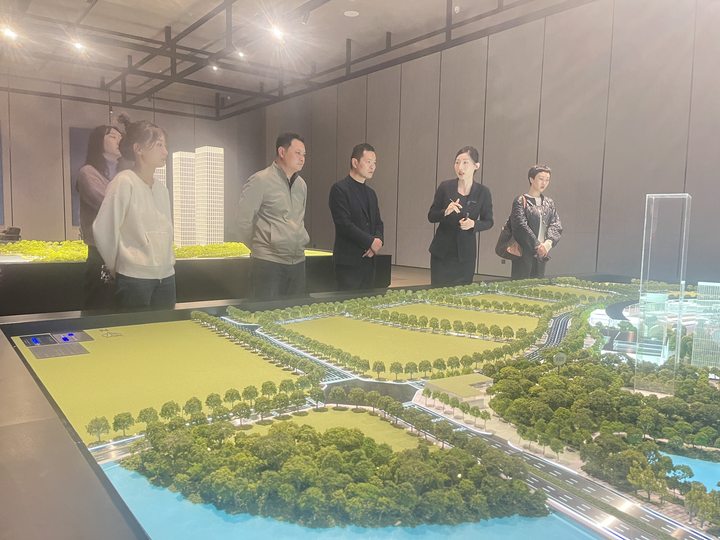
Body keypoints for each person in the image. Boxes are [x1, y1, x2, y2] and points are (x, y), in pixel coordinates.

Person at [93, 114, 175, 310]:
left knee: (165, 328)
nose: (165, 151)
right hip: (134, 278)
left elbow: (167, 230)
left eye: (165, 145)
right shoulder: (124, 182)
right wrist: (118, 266)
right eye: (159, 145)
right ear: (138, 149)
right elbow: (104, 229)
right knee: (135, 329)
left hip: (166, 276)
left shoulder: (162, 189)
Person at [237, 132, 310, 300]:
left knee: (295, 313)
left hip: (298, 261)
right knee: (266, 312)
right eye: (297, 153)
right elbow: (242, 221)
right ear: (282, 152)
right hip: (268, 262)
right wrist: (260, 246)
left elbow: (299, 220)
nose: (302, 158)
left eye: (304, 154)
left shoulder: (302, 185)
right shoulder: (260, 180)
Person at [428, 146, 493, 286]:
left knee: (462, 294)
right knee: (438, 293)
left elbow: (489, 221)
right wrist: (445, 211)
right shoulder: (445, 187)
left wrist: (473, 224)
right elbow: (431, 216)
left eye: (465, 163)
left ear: (476, 166)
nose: (460, 167)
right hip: (442, 252)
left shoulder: (483, 192)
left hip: (465, 255)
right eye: (457, 162)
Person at [76, 124, 122, 309]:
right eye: (112, 136)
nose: (119, 140)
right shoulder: (88, 172)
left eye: (120, 137)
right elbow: (107, 205)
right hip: (100, 253)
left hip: (123, 252)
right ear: (98, 142)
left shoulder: (124, 174)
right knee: (99, 307)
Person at [329, 143, 384, 290]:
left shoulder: (371, 194)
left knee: (368, 302)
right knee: (347, 303)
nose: (373, 167)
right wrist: (370, 242)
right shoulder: (339, 189)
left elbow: (378, 223)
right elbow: (344, 225)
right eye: (368, 162)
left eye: (374, 163)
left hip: (369, 262)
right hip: (348, 263)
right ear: (355, 162)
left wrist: (378, 241)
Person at [510, 164, 562, 279]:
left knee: (538, 283)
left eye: (547, 180)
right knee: (521, 283)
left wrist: (548, 244)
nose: (544, 183)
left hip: (542, 254)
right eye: (541, 179)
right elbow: (520, 226)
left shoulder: (549, 202)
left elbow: (556, 225)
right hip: (523, 253)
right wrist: (537, 245)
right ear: (531, 179)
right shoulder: (520, 200)